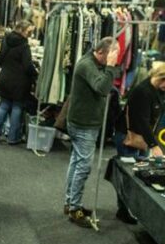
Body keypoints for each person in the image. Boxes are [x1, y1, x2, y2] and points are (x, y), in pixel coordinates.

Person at [64, 37, 120, 228]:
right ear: (102, 52)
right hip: (83, 124)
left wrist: (110, 67)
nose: (115, 58)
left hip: (84, 122)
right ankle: (74, 208)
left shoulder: (95, 63)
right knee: (83, 166)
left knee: (76, 162)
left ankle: (70, 203)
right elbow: (102, 88)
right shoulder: (87, 65)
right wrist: (110, 67)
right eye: (112, 55)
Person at [111, 63, 165, 224]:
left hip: (143, 137)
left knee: (142, 175)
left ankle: (135, 208)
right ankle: (124, 210)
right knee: (128, 175)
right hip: (128, 136)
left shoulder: (158, 91)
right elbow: (141, 121)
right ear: (161, 78)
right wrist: (154, 145)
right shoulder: (142, 91)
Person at [0, 20, 37, 145]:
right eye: (28, 32)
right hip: (19, 81)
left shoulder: (6, 40)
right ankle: (13, 137)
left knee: (4, 105)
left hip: (5, 77)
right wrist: (35, 74)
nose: (29, 34)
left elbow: (0, 59)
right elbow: (27, 66)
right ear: (22, 30)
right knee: (17, 107)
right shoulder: (24, 45)